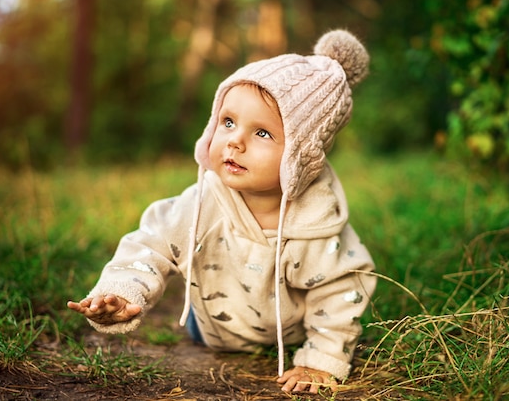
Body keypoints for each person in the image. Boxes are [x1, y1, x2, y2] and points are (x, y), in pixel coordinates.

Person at [67, 29, 376, 394]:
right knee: (178, 287)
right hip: (210, 326)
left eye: (262, 133)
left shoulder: (315, 222)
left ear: (302, 157)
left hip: (292, 335)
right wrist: (123, 293)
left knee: (335, 298)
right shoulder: (202, 203)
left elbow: (341, 289)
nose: (235, 140)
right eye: (228, 122)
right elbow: (150, 244)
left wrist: (320, 359)